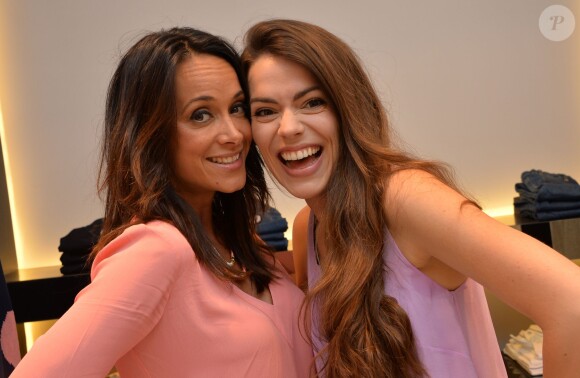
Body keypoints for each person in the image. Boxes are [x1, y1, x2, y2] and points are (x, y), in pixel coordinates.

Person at [241, 19, 580, 378]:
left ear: (349, 108)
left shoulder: (404, 198)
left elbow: (570, 304)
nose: (288, 127)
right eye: (265, 111)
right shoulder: (308, 225)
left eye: (312, 102)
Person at [12, 27, 312, 377]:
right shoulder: (156, 249)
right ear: (150, 135)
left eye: (237, 108)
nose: (234, 134)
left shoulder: (238, 240)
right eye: (200, 114)